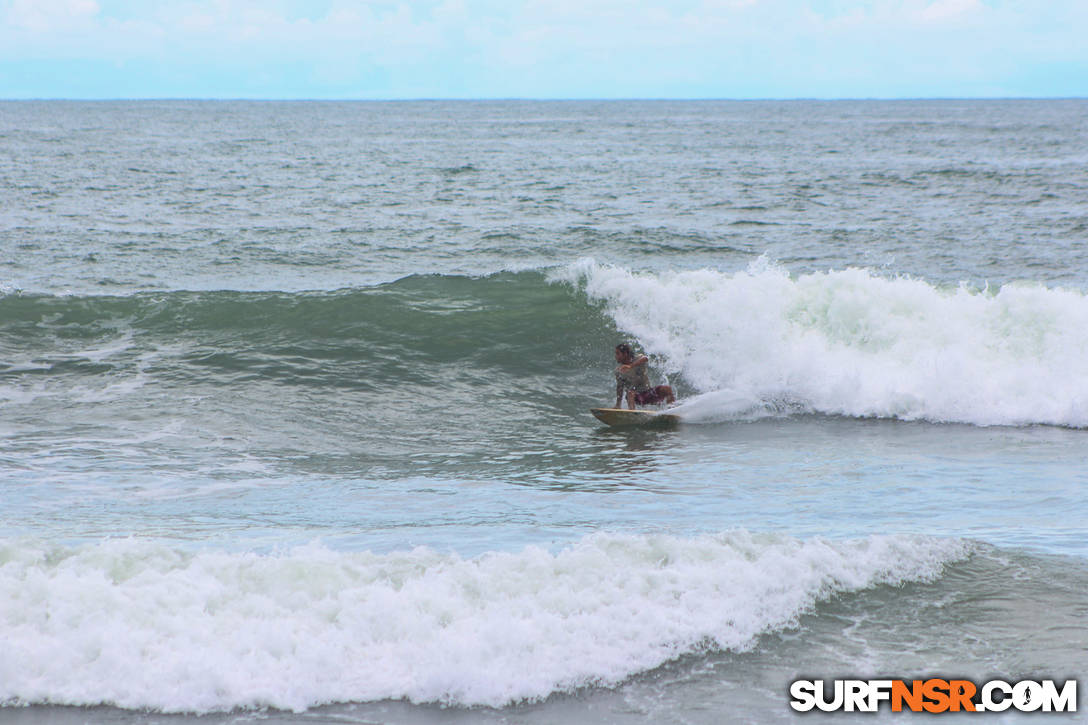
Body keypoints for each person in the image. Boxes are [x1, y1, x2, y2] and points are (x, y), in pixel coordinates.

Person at [614, 343, 675, 409]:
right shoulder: (619, 371)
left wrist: (631, 366)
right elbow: (620, 388)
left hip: (648, 393)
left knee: (667, 389)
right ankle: (632, 414)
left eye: (618, 353)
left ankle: (671, 410)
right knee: (630, 393)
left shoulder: (637, 359)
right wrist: (618, 404)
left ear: (625, 354)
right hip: (635, 398)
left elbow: (645, 358)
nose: (616, 356)